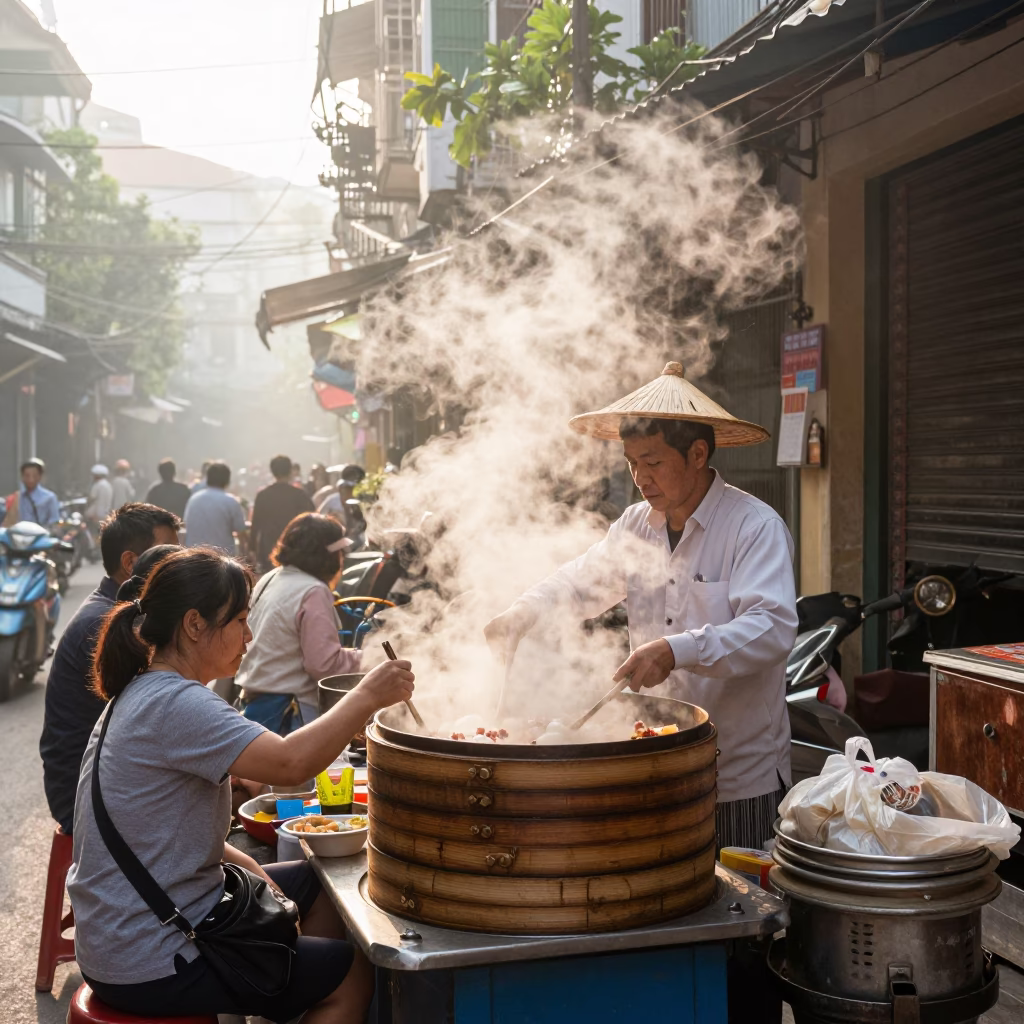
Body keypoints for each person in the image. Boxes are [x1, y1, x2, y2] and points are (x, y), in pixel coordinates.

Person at [67, 547, 414, 1022]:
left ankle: (273, 992)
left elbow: (173, 836)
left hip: (121, 934)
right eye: (240, 621)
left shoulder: (144, 689)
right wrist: (367, 695)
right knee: (351, 971)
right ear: (194, 624)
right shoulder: (175, 701)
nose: (249, 636)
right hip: (152, 954)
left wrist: (261, 876)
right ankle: (283, 990)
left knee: (320, 888)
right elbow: (292, 763)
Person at [484, 362, 799, 852]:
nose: (640, 477)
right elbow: (580, 582)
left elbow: (771, 628)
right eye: (632, 463)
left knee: (739, 914)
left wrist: (676, 650)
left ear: (697, 454)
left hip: (736, 773)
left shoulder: (753, 527)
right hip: (655, 761)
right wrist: (524, 611)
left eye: (652, 462)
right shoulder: (636, 524)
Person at [39, 504, 181, 835]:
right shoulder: (107, 625)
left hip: (108, 779)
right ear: (132, 563)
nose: (181, 567)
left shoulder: (124, 614)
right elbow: (158, 724)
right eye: (168, 558)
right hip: (82, 796)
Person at [235, 513, 359, 733]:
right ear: (327, 555)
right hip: (289, 714)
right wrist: (369, 658)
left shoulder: (271, 578)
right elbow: (324, 665)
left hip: (253, 706)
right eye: (340, 552)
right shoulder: (314, 590)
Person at [249, 454, 315, 573]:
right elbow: (312, 521)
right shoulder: (299, 495)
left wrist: (252, 548)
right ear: (290, 471)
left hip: (269, 549)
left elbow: (256, 524)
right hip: (295, 549)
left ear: (272, 471)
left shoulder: (263, 495)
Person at [183, 461, 248, 555]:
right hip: (222, 560)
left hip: (194, 557)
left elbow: (186, 525)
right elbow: (241, 532)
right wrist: (246, 555)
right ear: (227, 480)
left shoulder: (193, 499)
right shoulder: (231, 501)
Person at [317, 465, 367, 549]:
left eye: (351, 489)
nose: (346, 493)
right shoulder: (332, 502)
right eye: (344, 489)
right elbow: (318, 520)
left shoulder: (365, 503)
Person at [3, 458, 60, 527]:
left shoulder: (50, 497)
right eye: (27, 476)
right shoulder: (17, 497)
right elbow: (9, 520)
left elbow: (54, 521)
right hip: (20, 535)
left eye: (34, 476)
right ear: (22, 476)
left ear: (40, 476)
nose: (31, 480)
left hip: (41, 535)